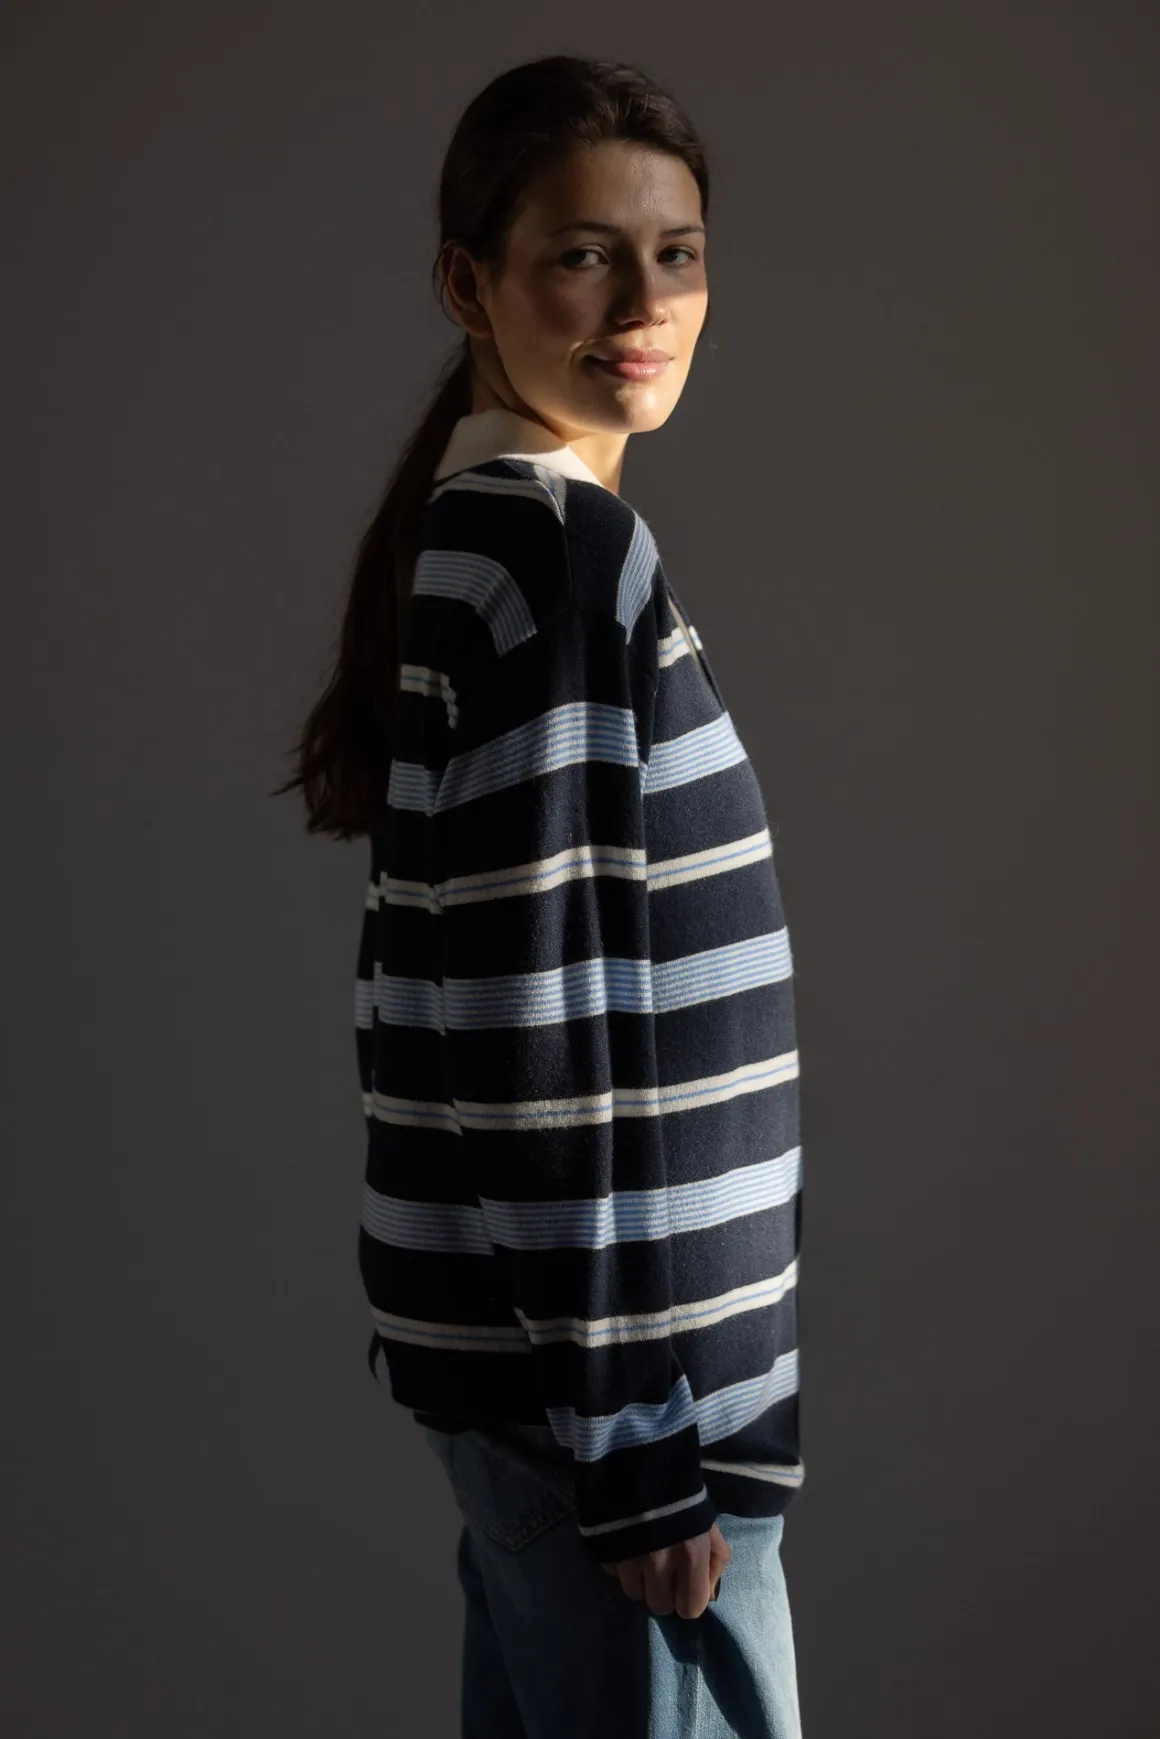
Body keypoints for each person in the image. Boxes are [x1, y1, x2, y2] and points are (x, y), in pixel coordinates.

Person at [277, 52, 805, 1739]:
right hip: (618, 1415)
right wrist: (637, 1438)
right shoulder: (560, 561)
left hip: (558, 1396)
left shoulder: (492, 540)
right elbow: (532, 1032)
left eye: (677, 253)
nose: (645, 303)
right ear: (470, 284)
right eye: (585, 253)